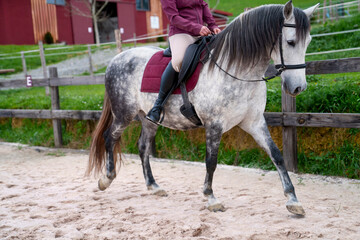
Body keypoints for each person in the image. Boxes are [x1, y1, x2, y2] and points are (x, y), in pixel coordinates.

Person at [146, 0, 222, 124]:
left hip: (201, 32)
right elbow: (174, 18)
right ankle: (157, 106)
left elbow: (203, 5)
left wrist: (213, 25)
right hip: (181, 33)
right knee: (179, 61)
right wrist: (197, 27)